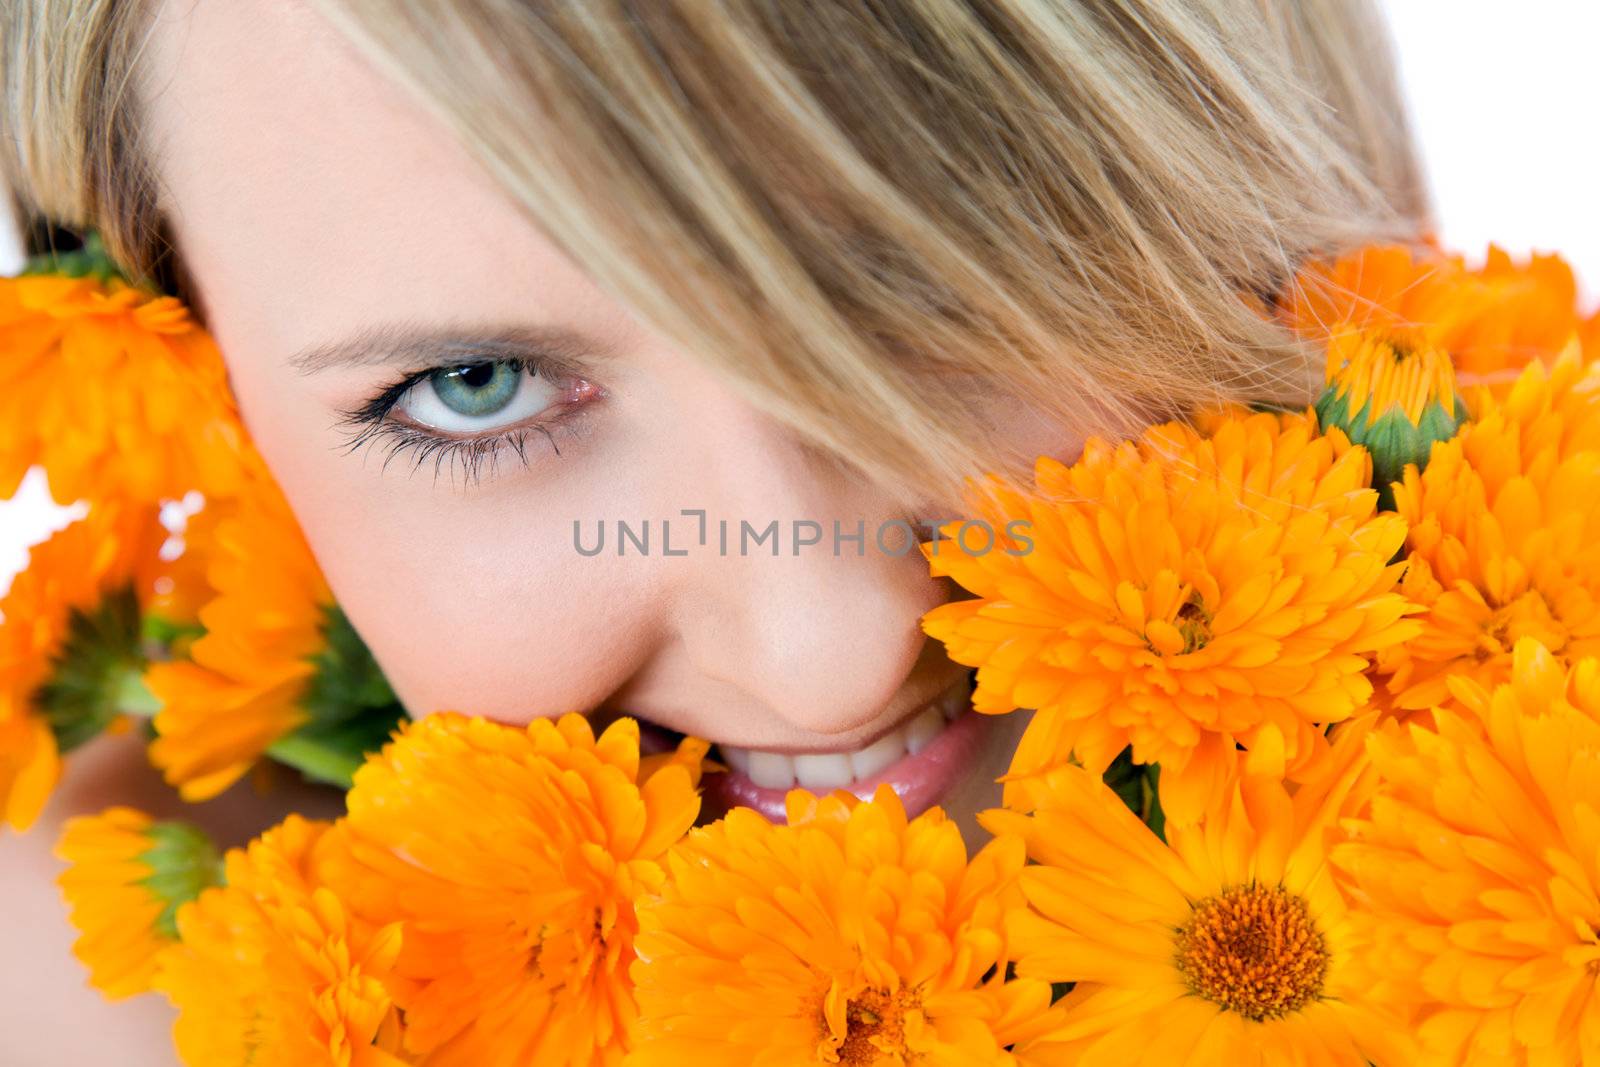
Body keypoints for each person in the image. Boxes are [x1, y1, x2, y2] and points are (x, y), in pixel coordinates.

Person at [0, 0, 1427, 1059]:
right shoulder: (110, 1000)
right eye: (472, 389)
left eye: (933, 288)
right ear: (201, 390)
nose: (833, 659)